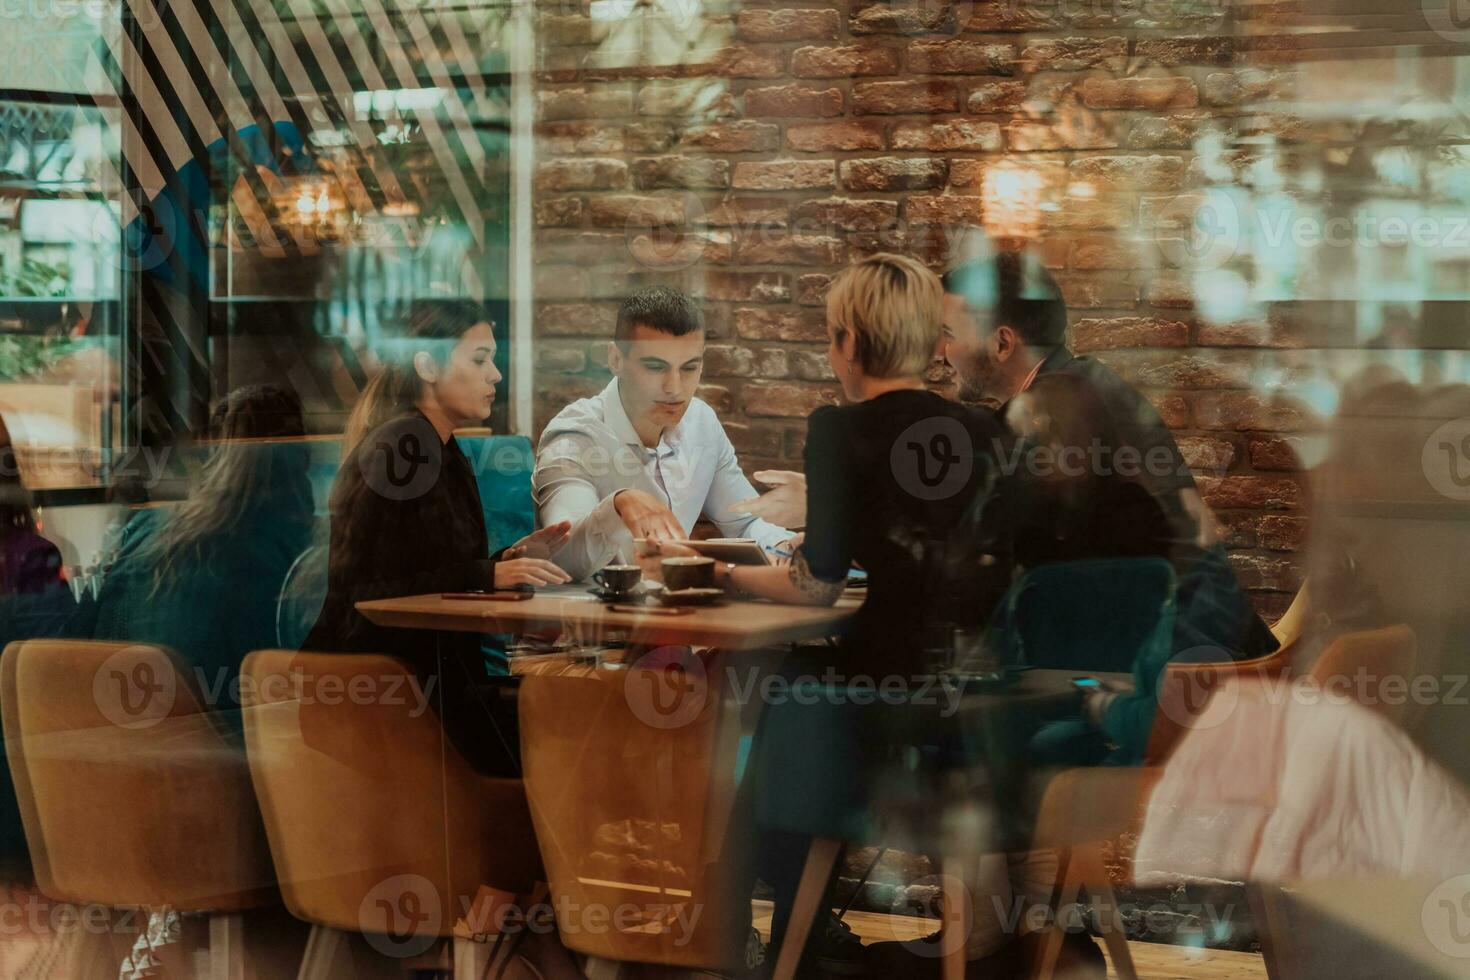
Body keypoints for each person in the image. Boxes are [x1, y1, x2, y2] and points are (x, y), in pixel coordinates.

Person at [642, 255, 1022, 976]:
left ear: (848, 342)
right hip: (979, 698)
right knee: (794, 690)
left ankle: (745, 930)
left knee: (780, 695)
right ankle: (790, 937)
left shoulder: (841, 432)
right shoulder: (983, 430)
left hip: (886, 699)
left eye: (829, 337)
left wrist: (721, 573)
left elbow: (816, 587)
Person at [940, 250, 1278, 766]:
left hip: (1168, 686)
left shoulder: (1042, 415)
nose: (939, 350)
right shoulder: (1088, 386)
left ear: (1002, 342)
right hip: (1212, 665)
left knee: (945, 718)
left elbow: (980, 562)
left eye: (947, 332)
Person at [304, 300, 571, 775]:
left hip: (426, 685)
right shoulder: (405, 445)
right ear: (427, 364)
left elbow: (426, 569)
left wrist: (506, 561)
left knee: (573, 710)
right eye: (479, 358)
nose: (496, 375)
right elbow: (370, 590)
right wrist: (490, 573)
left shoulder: (441, 446)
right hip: (383, 692)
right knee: (576, 724)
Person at [87, 385, 315, 730]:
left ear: (213, 451)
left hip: (123, 743)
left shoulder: (151, 527)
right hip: (225, 754)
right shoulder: (282, 543)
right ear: (298, 458)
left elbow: (88, 637)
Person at [533, 286, 796, 582]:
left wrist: (791, 545)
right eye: (656, 367)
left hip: (672, 613)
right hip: (587, 620)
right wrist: (620, 503)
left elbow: (745, 523)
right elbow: (564, 561)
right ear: (615, 359)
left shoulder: (701, 422)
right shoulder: (573, 436)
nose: (675, 387)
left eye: (689, 368)